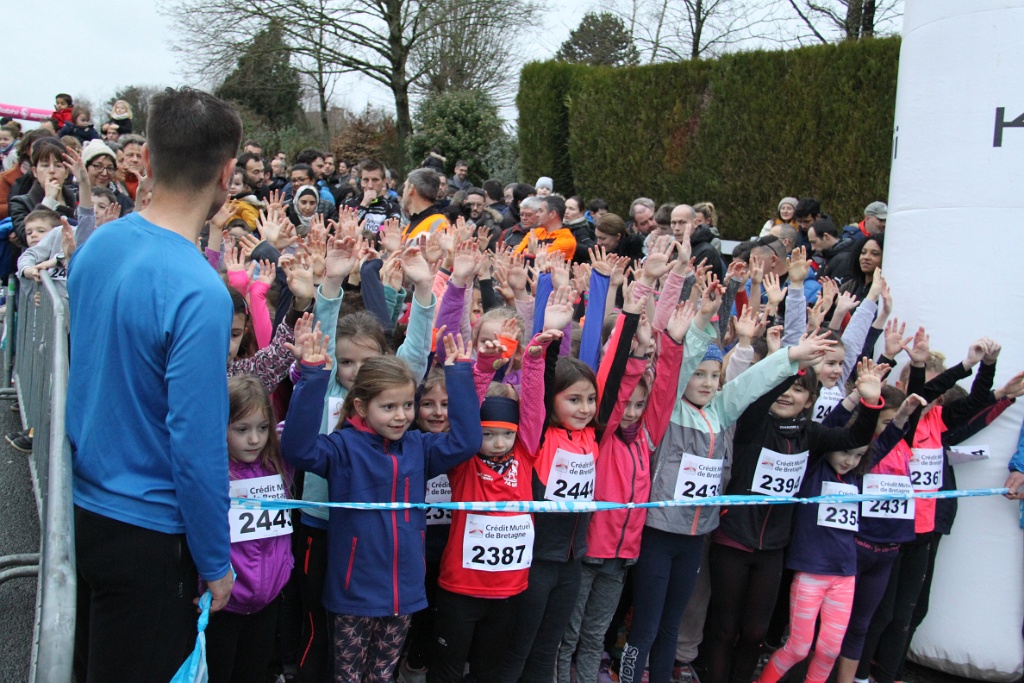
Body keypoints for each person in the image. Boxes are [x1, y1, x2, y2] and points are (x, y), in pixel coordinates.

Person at [67, 86, 242, 683]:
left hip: (83, 511)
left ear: (146, 160)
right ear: (227, 174)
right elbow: (195, 442)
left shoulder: (99, 245)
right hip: (149, 534)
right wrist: (215, 561)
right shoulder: (200, 291)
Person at [617, 284, 835, 683]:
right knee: (646, 625)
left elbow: (752, 382)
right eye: (699, 375)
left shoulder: (720, 410)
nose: (706, 383)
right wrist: (701, 321)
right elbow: (677, 367)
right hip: (659, 534)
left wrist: (790, 357)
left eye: (714, 376)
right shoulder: (668, 410)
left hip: (695, 537)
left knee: (671, 626)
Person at [281, 332, 482, 683]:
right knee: (348, 677)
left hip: (405, 593)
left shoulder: (419, 447)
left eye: (407, 406)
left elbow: (466, 441)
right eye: (388, 407)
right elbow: (297, 449)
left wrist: (460, 375)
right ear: (361, 407)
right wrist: (312, 376)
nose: (401, 416)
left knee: (382, 676)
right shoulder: (341, 449)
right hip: (353, 595)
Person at [205, 376, 295, 683]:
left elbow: (302, 427)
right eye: (241, 430)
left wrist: (308, 377)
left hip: (268, 602)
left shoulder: (278, 463)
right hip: (223, 605)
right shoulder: (213, 473)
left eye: (263, 427)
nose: (254, 439)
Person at [344, 158, 402, 234]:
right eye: (366, 180)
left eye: (375, 180)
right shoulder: (349, 203)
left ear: (384, 182)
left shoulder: (392, 207)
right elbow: (347, 231)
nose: (370, 186)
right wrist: (363, 205)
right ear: (360, 181)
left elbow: (385, 235)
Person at [512, 195, 577, 261]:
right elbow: (515, 256)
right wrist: (530, 253)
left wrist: (528, 252)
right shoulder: (535, 232)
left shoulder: (567, 240)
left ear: (552, 214)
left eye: (541, 211)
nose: (537, 214)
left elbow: (539, 258)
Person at [81, 139, 134, 215]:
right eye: (98, 166)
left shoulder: (123, 202)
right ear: (85, 167)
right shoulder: (73, 195)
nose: (104, 173)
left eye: (110, 168)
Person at [401, 168, 450, 239]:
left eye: (405, 187)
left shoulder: (438, 224)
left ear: (411, 189)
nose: (403, 192)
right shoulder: (410, 226)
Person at [808, 218, 860, 285]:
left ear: (826, 236)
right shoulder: (829, 256)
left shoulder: (844, 260)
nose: (812, 248)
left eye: (814, 242)